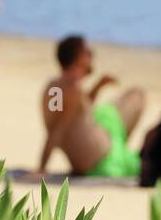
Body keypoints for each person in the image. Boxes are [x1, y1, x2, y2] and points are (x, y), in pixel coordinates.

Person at [38, 35, 145, 177]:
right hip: (105, 162)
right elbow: (57, 129)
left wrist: (98, 86)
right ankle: (123, 150)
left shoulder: (56, 86)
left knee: (133, 97)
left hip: (99, 149)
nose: (92, 55)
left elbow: (74, 114)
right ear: (78, 57)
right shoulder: (69, 88)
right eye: (88, 52)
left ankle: (122, 148)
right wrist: (42, 168)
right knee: (138, 95)